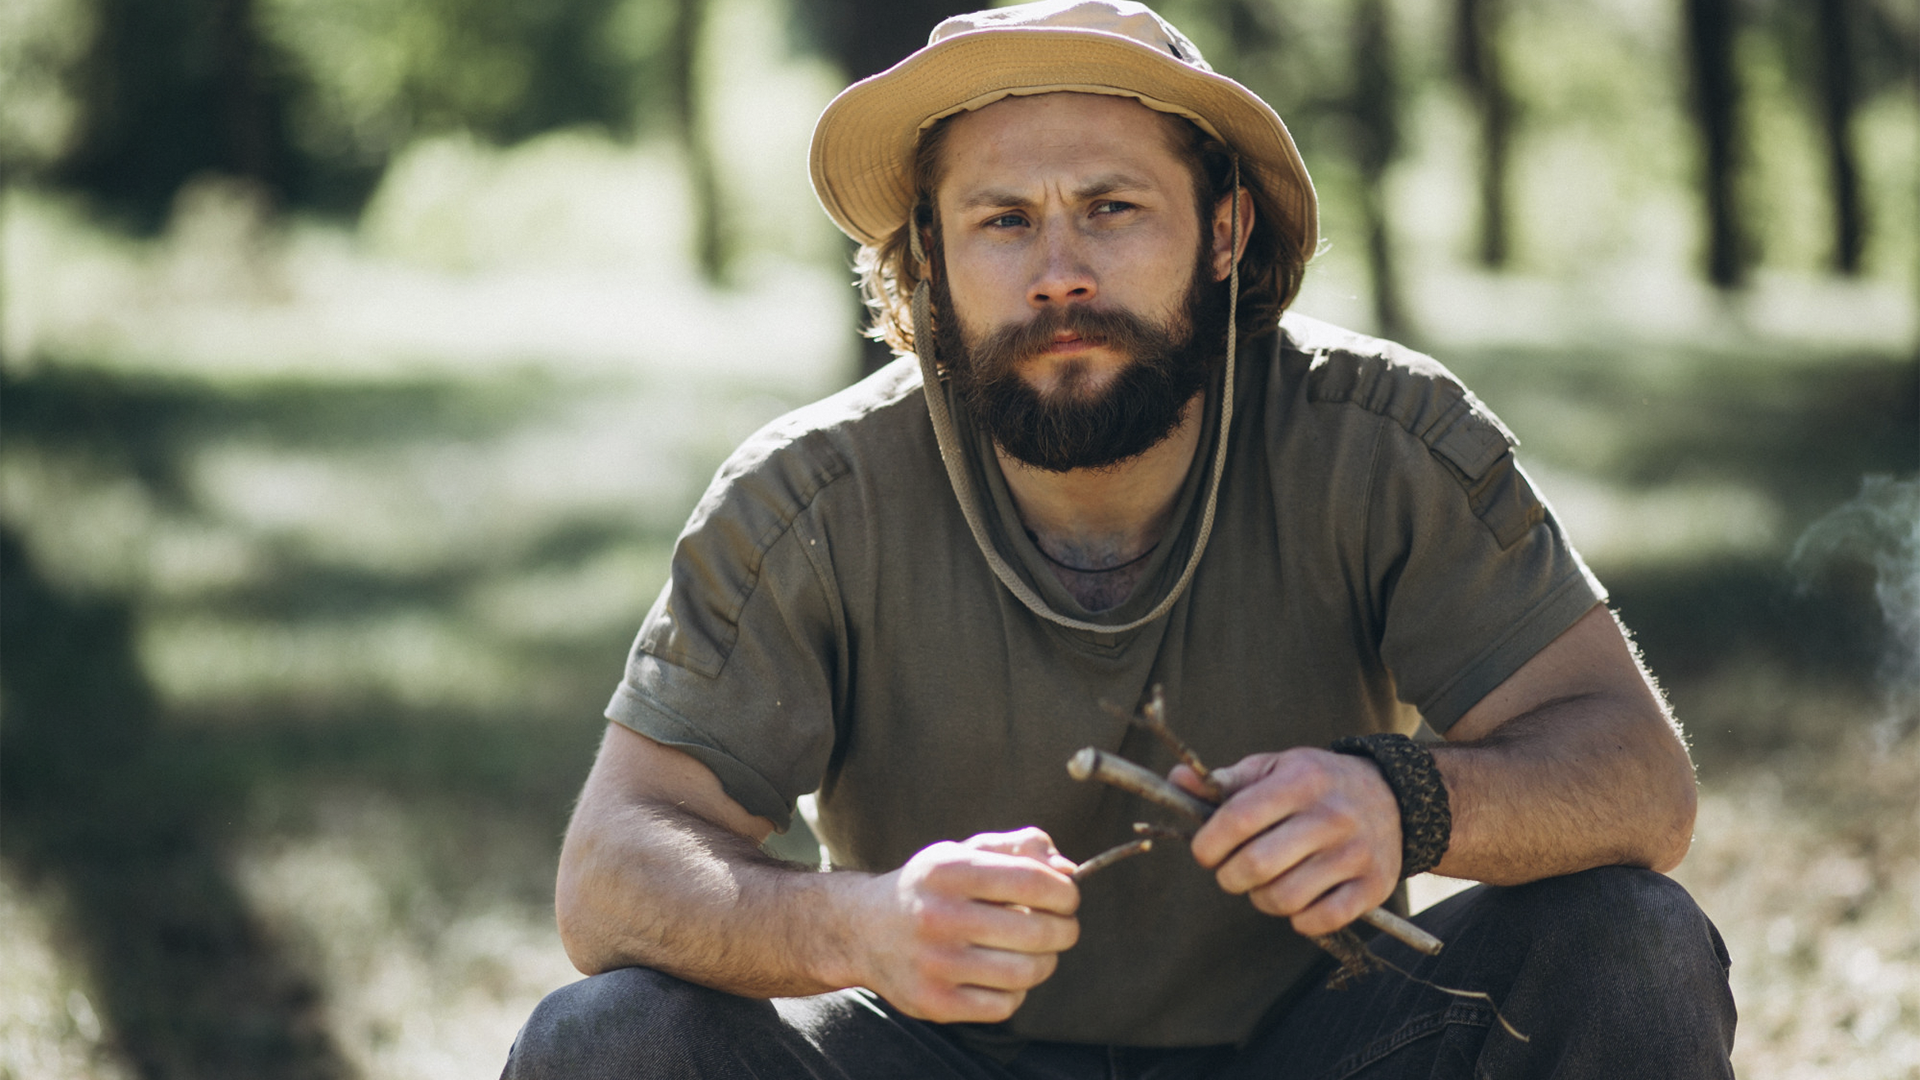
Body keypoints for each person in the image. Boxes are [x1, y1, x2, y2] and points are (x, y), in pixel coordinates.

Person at [502, 2, 1736, 1076]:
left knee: (1632, 944)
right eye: (1000, 222)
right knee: (602, 1040)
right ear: (928, 256)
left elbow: (1641, 779)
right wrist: (859, 927)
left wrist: (1405, 800)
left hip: (1336, 1046)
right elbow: (611, 871)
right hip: (928, 1060)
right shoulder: (805, 502)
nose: (1058, 272)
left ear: (1225, 231)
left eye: (1112, 208)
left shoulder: (1384, 441)